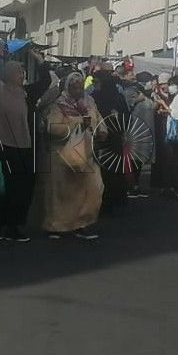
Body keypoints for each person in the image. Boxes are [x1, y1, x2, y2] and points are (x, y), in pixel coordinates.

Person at [40, 72, 108, 240]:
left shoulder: (89, 102)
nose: (78, 90)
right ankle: (56, 226)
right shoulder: (58, 105)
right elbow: (53, 128)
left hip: (86, 154)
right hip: (62, 155)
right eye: (74, 86)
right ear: (68, 87)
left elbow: (97, 118)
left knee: (93, 188)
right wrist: (76, 123)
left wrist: (102, 130)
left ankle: (82, 223)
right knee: (61, 193)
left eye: (80, 86)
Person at [0, 61, 38, 242]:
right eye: (17, 73)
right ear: (8, 75)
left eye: (22, 73)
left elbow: (48, 80)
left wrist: (37, 59)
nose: (21, 76)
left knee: (21, 189)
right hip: (2, 146)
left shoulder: (26, 94)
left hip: (24, 147)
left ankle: (14, 226)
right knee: (2, 188)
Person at [89, 63, 130, 213]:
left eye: (96, 82)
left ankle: (103, 202)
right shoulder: (118, 97)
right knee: (114, 170)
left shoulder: (95, 98)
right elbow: (127, 117)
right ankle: (115, 200)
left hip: (102, 139)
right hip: (115, 138)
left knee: (102, 172)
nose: (94, 85)